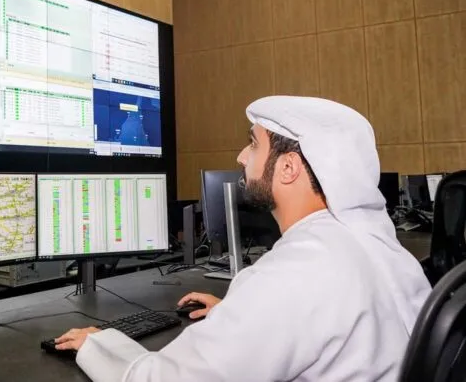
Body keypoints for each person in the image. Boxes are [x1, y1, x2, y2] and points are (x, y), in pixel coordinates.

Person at [54, 95, 431, 381]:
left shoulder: (292, 275)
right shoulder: (383, 250)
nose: (240, 157)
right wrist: (239, 316)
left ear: (288, 167)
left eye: (252, 144)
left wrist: (98, 345)